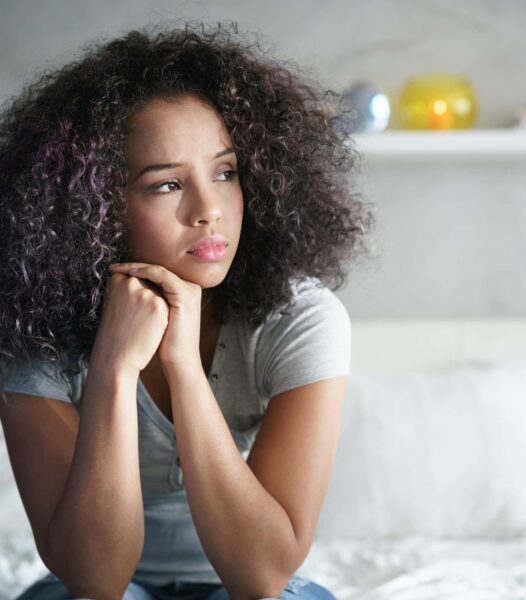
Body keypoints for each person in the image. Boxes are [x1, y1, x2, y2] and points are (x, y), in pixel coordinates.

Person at [0, 21, 374, 600]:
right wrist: (113, 371)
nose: (210, 210)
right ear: (94, 207)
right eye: (166, 185)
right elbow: (95, 581)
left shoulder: (300, 318)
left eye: (225, 172)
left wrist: (182, 362)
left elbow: (262, 577)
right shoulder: (31, 330)